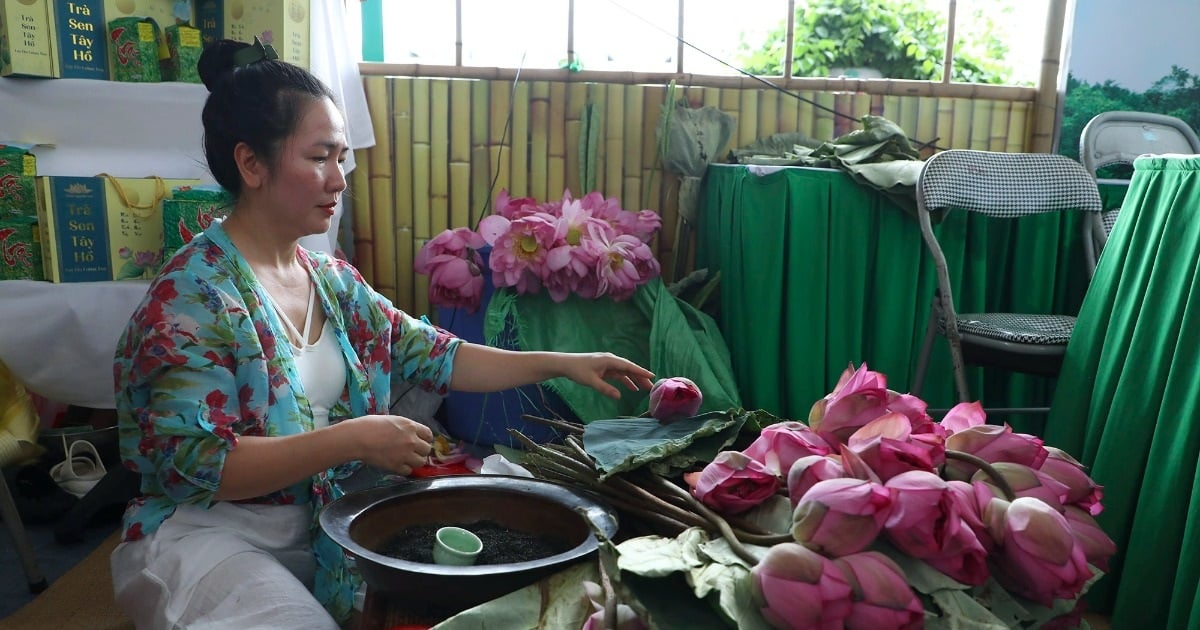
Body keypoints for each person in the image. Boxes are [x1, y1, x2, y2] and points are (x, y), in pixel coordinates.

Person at [109, 38, 655, 629]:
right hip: (212, 532)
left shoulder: (332, 282)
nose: (337, 178)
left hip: (330, 518)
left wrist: (564, 361)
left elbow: (440, 356)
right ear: (251, 164)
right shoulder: (191, 299)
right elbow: (198, 464)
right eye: (319, 157)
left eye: (340, 157)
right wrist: (354, 439)